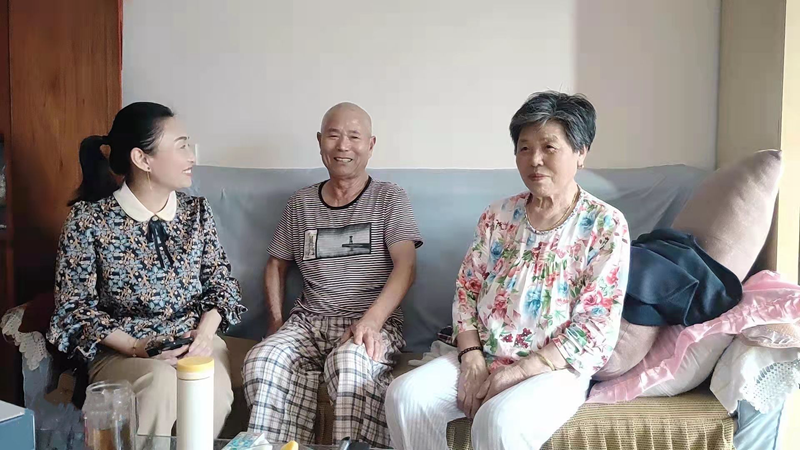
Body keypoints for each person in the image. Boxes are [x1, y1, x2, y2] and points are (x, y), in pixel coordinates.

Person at [385, 91, 631, 449]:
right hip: (481, 355)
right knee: (405, 395)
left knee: (499, 419)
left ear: (581, 153)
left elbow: (595, 326)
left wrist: (518, 372)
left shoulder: (605, 225)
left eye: (549, 147)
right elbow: (467, 291)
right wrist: (471, 357)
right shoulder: (498, 215)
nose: (535, 160)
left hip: (554, 368)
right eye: (524, 148)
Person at [47, 102, 246, 437]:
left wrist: (204, 335)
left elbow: (222, 285)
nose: (191, 157)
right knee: (160, 384)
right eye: (181, 146)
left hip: (194, 339)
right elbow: (74, 309)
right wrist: (138, 347)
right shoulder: (88, 221)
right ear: (142, 159)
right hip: (123, 350)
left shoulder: (196, 212)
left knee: (205, 382)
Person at [242, 102, 422, 447]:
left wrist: (371, 322)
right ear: (320, 141)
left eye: (354, 136)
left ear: (370, 145)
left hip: (369, 321)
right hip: (308, 322)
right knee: (262, 360)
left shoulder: (389, 198)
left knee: (349, 365)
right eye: (334, 135)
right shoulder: (300, 203)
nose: (343, 146)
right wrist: (276, 321)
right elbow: (276, 264)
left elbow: (407, 266)